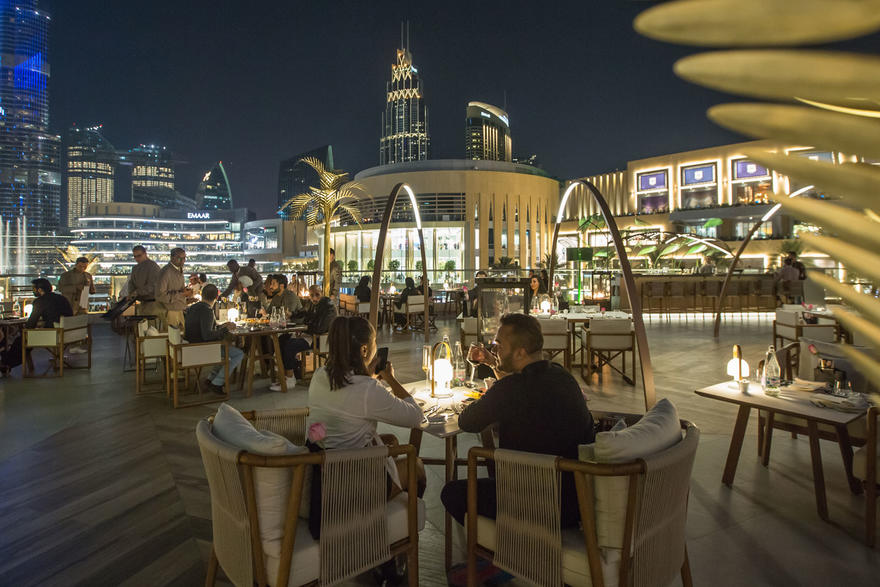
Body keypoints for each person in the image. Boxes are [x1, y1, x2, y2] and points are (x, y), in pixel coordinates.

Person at [440, 313, 595, 529]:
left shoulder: (511, 389)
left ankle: (505, 541)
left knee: (452, 493)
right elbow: (518, 391)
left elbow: (467, 422)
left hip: (531, 502)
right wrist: (494, 363)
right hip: (576, 500)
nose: (495, 350)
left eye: (500, 345)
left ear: (520, 352)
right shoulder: (563, 376)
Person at [307, 315, 425, 497]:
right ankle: (404, 510)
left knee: (391, 440)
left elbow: (349, 397)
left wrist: (368, 378)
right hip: (354, 485)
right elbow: (416, 417)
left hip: (322, 473)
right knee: (416, 466)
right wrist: (390, 378)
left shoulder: (320, 374)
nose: (376, 346)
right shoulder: (367, 389)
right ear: (364, 349)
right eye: (374, 341)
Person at [0, 278, 73, 372]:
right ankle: (6, 363)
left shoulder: (40, 301)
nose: (33, 291)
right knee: (24, 338)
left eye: (33, 289)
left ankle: (6, 362)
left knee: (21, 339)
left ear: (40, 290)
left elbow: (31, 323)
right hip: (67, 333)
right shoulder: (62, 298)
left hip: (52, 335)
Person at [272, 284, 336, 390]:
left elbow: (320, 328)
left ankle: (290, 378)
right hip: (310, 335)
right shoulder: (311, 303)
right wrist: (292, 314)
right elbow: (303, 311)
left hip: (320, 339)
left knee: (290, 345)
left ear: (322, 293)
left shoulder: (328, 306)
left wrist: (303, 329)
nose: (314, 298)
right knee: (281, 339)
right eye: (312, 295)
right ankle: (287, 374)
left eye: (317, 294)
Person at [184, 284, 243, 394]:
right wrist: (225, 330)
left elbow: (205, 329)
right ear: (216, 297)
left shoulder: (192, 308)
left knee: (224, 350)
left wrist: (222, 326)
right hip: (202, 349)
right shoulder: (207, 311)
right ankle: (217, 383)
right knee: (238, 354)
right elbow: (207, 336)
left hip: (190, 347)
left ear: (202, 294)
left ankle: (211, 378)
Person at [157, 247, 191, 330]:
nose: (182, 261)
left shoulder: (178, 269)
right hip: (170, 311)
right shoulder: (166, 272)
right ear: (172, 257)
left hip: (178, 310)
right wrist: (182, 294)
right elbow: (160, 295)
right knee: (173, 336)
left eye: (184, 258)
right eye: (179, 258)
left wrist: (184, 293)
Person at [128, 245, 162, 319]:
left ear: (145, 254)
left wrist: (136, 292)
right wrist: (132, 293)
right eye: (135, 256)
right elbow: (131, 283)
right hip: (142, 304)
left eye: (139, 256)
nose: (137, 258)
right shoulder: (135, 268)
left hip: (153, 304)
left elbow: (153, 286)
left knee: (150, 325)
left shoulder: (153, 266)